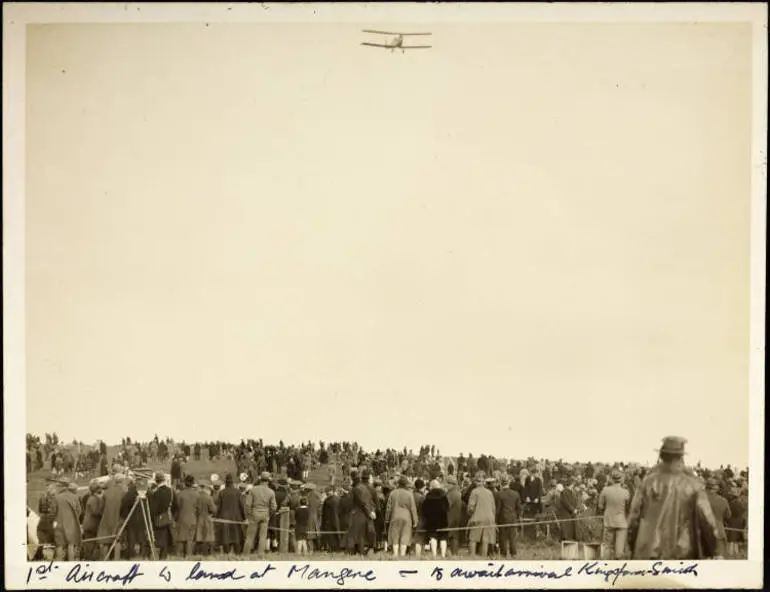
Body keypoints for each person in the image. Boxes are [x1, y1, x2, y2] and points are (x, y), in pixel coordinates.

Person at [628, 436, 721, 559]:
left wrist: (631, 545)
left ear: (661, 456)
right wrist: (714, 550)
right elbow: (707, 521)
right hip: (683, 552)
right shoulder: (694, 485)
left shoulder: (646, 483)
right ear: (681, 457)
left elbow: (633, 519)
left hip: (648, 551)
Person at [597, 469, 630, 559]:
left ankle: (607, 567)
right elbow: (628, 508)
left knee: (607, 547)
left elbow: (600, 506)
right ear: (621, 479)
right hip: (621, 522)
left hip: (609, 521)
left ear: (611, 479)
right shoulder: (626, 492)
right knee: (619, 551)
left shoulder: (605, 490)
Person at [243, 472, 277, 555]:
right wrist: (269, 514)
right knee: (263, 536)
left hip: (254, 513)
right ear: (268, 481)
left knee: (250, 536)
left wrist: (249, 515)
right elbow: (274, 507)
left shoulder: (253, 490)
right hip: (265, 514)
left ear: (260, 480)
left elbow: (247, 505)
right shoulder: (271, 492)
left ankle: (246, 553)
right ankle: (260, 554)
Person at [384, 475, 419, 558]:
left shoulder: (392, 493)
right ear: (406, 485)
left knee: (395, 537)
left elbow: (388, 508)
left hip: (394, 516)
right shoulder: (409, 494)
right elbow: (413, 508)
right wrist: (415, 521)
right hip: (407, 518)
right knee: (405, 536)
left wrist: (387, 519)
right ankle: (402, 555)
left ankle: (395, 555)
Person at [346, 470, 376, 555]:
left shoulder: (356, 489)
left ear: (352, 479)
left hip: (359, 514)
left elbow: (363, 502)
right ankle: (361, 553)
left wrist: (369, 512)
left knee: (358, 535)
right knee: (361, 535)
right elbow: (370, 501)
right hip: (365, 514)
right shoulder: (364, 487)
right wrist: (372, 511)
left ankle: (358, 553)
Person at [119, 478, 150, 560]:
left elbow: (124, 505)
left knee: (131, 539)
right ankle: (143, 554)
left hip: (132, 519)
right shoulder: (146, 492)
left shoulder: (129, 493)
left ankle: (131, 555)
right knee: (142, 538)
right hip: (142, 518)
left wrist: (125, 515)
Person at [216, 473, 245, 554]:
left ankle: (227, 554)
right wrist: (244, 517)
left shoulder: (221, 493)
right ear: (232, 483)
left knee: (226, 537)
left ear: (226, 482)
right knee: (237, 537)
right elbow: (241, 506)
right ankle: (237, 554)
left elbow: (219, 507)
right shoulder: (238, 492)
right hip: (236, 517)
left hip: (224, 518)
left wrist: (217, 517)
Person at [466, 476, 496, 557]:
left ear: (476, 482)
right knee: (485, 539)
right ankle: (483, 557)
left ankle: (472, 557)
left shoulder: (474, 492)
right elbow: (493, 508)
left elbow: (470, 508)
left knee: (473, 539)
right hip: (489, 518)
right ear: (483, 483)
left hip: (477, 518)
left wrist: (469, 515)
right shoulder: (490, 492)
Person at [98, 474, 126, 560]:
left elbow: (100, 508)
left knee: (105, 540)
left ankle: (105, 559)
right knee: (117, 540)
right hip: (118, 518)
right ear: (121, 481)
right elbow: (124, 507)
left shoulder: (106, 492)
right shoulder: (123, 492)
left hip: (106, 519)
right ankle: (116, 560)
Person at [149, 473, 176, 560]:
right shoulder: (171, 491)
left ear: (156, 481)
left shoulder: (156, 492)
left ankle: (155, 556)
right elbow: (176, 505)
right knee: (166, 537)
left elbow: (154, 508)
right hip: (168, 516)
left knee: (157, 538)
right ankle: (164, 555)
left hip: (158, 518)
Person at [53, 481, 82, 561]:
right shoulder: (74, 497)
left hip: (58, 524)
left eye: (58, 486)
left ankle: (59, 564)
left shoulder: (56, 498)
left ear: (62, 487)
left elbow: (53, 512)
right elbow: (79, 511)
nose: (57, 488)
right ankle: (71, 564)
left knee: (59, 545)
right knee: (71, 545)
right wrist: (72, 518)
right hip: (71, 525)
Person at [422, 479, 450, 558]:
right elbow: (447, 508)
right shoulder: (444, 496)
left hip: (432, 520)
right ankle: (443, 555)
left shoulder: (428, 496)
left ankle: (434, 555)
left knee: (433, 536)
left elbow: (424, 509)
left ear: (431, 486)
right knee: (443, 537)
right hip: (443, 519)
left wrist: (427, 516)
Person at [496, 477, 522, 558]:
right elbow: (519, 508)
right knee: (512, 537)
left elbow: (498, 509)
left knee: (503, 537)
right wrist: (516, 516)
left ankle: (504, 553)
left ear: (501, 484)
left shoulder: (499, 494)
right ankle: (513, 553)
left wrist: (496, 519)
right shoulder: (515, 494)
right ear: (508, 484)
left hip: (503, 518)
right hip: (512, 517)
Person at [705, 478, 731, 559]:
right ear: (716, 488)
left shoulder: (699, 499)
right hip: (719, 532)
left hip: (702, 533)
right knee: (719, 561)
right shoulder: (723, 500)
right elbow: (728, 516)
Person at [81, 481, 105, 560]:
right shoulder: (93, 499)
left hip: (89, 523)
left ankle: (89, 557)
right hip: (91, 524)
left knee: (90, 542)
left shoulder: (91, 498)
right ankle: (89, 558)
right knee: (90, 542)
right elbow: (95, 512)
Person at [195, 482, 217, 556]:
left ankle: (197, 553)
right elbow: (214, 510)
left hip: (198, 518)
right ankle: (207, 553)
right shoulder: (208, 497)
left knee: (198, 536)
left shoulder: (196, 496)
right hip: (207, 518)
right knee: (208, 537)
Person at [445, 474, 464, 556]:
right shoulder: (458, 493)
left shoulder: (451, 494)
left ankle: (449, 553)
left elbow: (446, 505)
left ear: (451, 484)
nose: (445, 485)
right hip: (457, 517)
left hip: (450, 517)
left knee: (448, 536)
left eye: (447, 483)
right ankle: (454, 553)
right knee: (455, 536)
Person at [320, 486, 342, 552]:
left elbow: (326, 512)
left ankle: (332, 548)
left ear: (332, 491)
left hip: (329, 520)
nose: (327, 493)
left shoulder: (328, 500)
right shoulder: (338, 498)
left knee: (330, 535)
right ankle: (337, 548)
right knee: (336, 534)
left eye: (328, 491)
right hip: (336, 519)